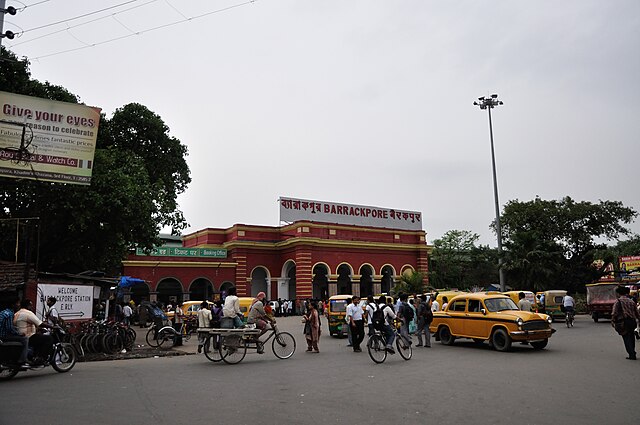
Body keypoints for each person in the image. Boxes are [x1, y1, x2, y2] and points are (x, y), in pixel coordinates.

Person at [611, 285, 640, 360]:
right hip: (632, 321)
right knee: (631, 337)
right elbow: (637, 313)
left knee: (626, 337)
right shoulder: (631, 301)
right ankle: (632, 351)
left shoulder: (618, 301)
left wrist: (613, 320)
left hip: (624, 322)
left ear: (619, 293)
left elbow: (614, 312)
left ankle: (631, 353)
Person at [0, 298, 29, 369]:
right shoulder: (10, 314)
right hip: (4, 335)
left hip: (3, 334)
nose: (19, 305)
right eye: (18, 303)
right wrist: (19, 334)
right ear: (13, 305)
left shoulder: (3, 312)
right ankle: (22, 360)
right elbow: (9, 328)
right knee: (25, 339)